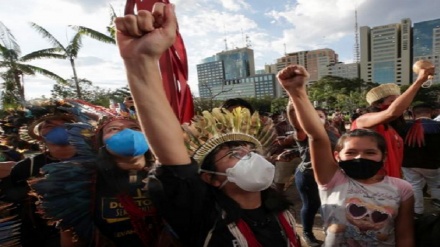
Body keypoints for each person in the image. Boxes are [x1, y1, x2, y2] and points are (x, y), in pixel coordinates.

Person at [114, 3, 301, 247]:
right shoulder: (204, 218)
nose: (250, 157)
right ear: (211, 178)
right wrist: (142, 62)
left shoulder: (281, 212)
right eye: (234, 153)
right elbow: (174, 161)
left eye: (251, 150)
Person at [278, 64, 415, 246]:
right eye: (351, 152)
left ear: (383, 156)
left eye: (370, 152)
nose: (360, 157)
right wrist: (296, 92)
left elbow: (404, 234)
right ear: (337, 156)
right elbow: (316, 137)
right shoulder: (332, 180)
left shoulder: (402, 189)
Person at [351, 67, 435, 178]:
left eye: (399, 100)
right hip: (372, 181)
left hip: (390, 181)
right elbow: (392, 112)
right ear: (377, 105)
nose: (400, 104)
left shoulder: (391, 126)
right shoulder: (363, 120)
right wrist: (419, 81)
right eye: (393, 101)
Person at [287, 104, 339, 246]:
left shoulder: (332, 132)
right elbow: (296, 124)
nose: (316, 119)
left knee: (331, 205)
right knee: (311, 205)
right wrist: (293, 107)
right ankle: (307, 233)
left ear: (325, 119)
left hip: (331, 176)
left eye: (320, 116)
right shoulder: (302, 133)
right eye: (311, 115)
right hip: (308, 176)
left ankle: (329, 230)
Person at [402, 102, 440, 216]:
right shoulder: (438, 126)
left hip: (410, 164)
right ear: (431, 113)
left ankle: (417, 211)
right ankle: (437, 207)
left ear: (413, 114)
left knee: (414, 185)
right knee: (435, 184)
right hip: (434, 164)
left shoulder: (405, 127)